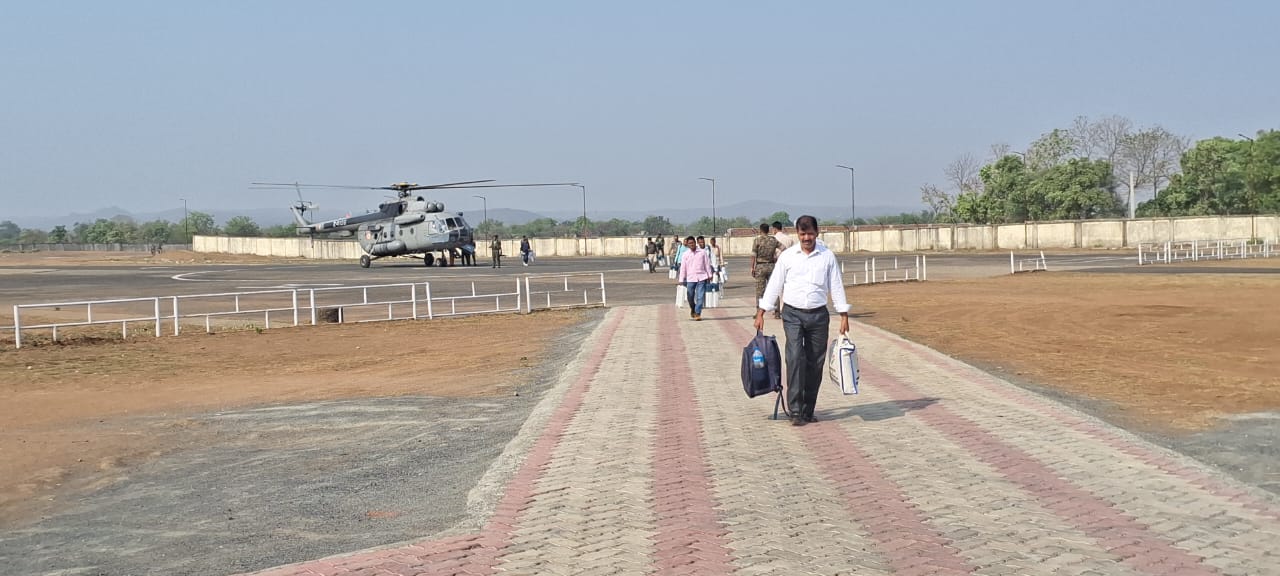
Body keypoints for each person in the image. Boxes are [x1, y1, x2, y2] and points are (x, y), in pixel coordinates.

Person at [754, 215, 850, 427]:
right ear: (797, 234)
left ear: (817, 233)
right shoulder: (788, 257)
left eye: (810, 233)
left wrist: (843, 314)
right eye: (802, 234)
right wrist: (761, 312)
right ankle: (795, 410)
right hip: (792, 314)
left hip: (818, 315)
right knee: (795, 357)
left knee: (815, 362)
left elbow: (836, 285)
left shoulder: (827, 257)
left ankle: (808, 409)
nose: (807, 238)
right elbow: (774, 285)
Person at [677, 236, 714, 320]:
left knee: (700, 296)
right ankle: (693, 308)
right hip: (690, 278)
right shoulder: (685, 254)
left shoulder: (702, 252)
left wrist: (710, 275)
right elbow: (683, 268)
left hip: (702, 277)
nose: (691, 245)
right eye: (689, 243)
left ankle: (697, 313)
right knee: (690, 296)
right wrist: (681, 279)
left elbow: (707, 264)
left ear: (695, 243)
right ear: (687, 244)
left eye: (692, 243)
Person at [750, 223, 781, 314]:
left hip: (760, 267)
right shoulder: (773, 240)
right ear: (768, 230)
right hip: (771, 266)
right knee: (774, 289)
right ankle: (777, 311)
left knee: (760, 291)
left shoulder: (757, 240)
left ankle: (758, 312)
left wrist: (752, 267)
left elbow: (753, 255)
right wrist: (775, 257)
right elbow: (783, 248)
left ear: (760, 230)